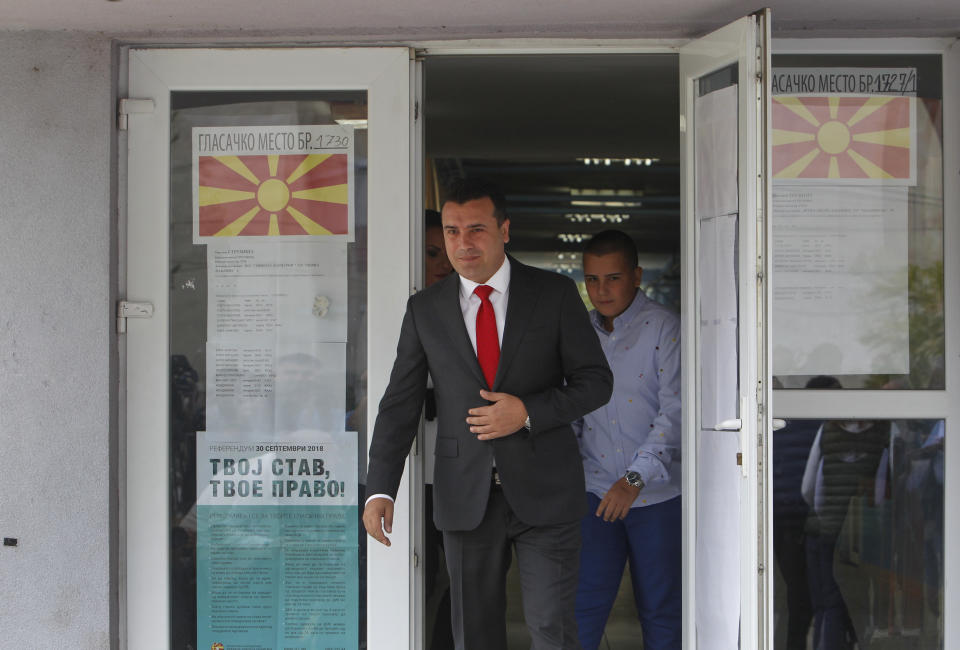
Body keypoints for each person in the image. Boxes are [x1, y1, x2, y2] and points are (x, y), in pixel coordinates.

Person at [364, 177, 613, 650]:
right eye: (452, 232)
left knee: (552, 630)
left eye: (475, 229)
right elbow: (400, 403)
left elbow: (596, 382)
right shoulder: (425, 310)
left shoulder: (554, 293)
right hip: (465, 496)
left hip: (546, 490)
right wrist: (380, 488)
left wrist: (527, 412)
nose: (462, 244)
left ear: (504, 230)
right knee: (474, 635)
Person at [574, 230, 681, 650]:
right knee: (583, 607)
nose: (601, 290)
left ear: (636, 276)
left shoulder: (665, 328)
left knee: (661, 609)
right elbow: (571, 412)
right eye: (592, 279)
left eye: (613, 278)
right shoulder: (578, 333)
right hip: (594, 489)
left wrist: (634, 479)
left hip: (655, 495)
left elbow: (674, 413)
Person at [422, 208, 455, 650]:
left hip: (454, 471)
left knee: (467, 580)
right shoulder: (384, 307)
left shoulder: (472, 308)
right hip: (398, 477)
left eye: (445, 252)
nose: (442, 263)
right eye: (432, 252)